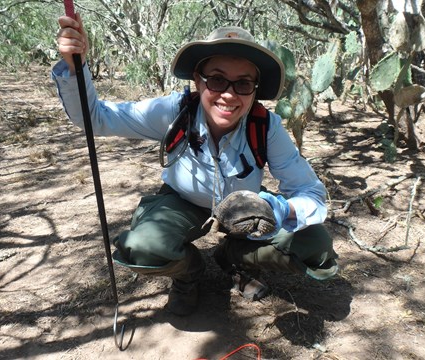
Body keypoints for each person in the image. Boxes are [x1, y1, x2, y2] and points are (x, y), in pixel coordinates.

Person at [53, 13, 339, 316]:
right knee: (143, 246)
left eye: (243, 83)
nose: (228, 94)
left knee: (315, 246)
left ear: (255, 89)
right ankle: (188, 274)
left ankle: (232, 258)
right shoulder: (174, 111)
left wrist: (281, 210)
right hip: (182, 202)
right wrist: (76, 67)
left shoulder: (266, 126)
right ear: (197, 81)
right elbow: (95, 117)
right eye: (216, 79)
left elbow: (309, 190)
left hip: (245, 210)